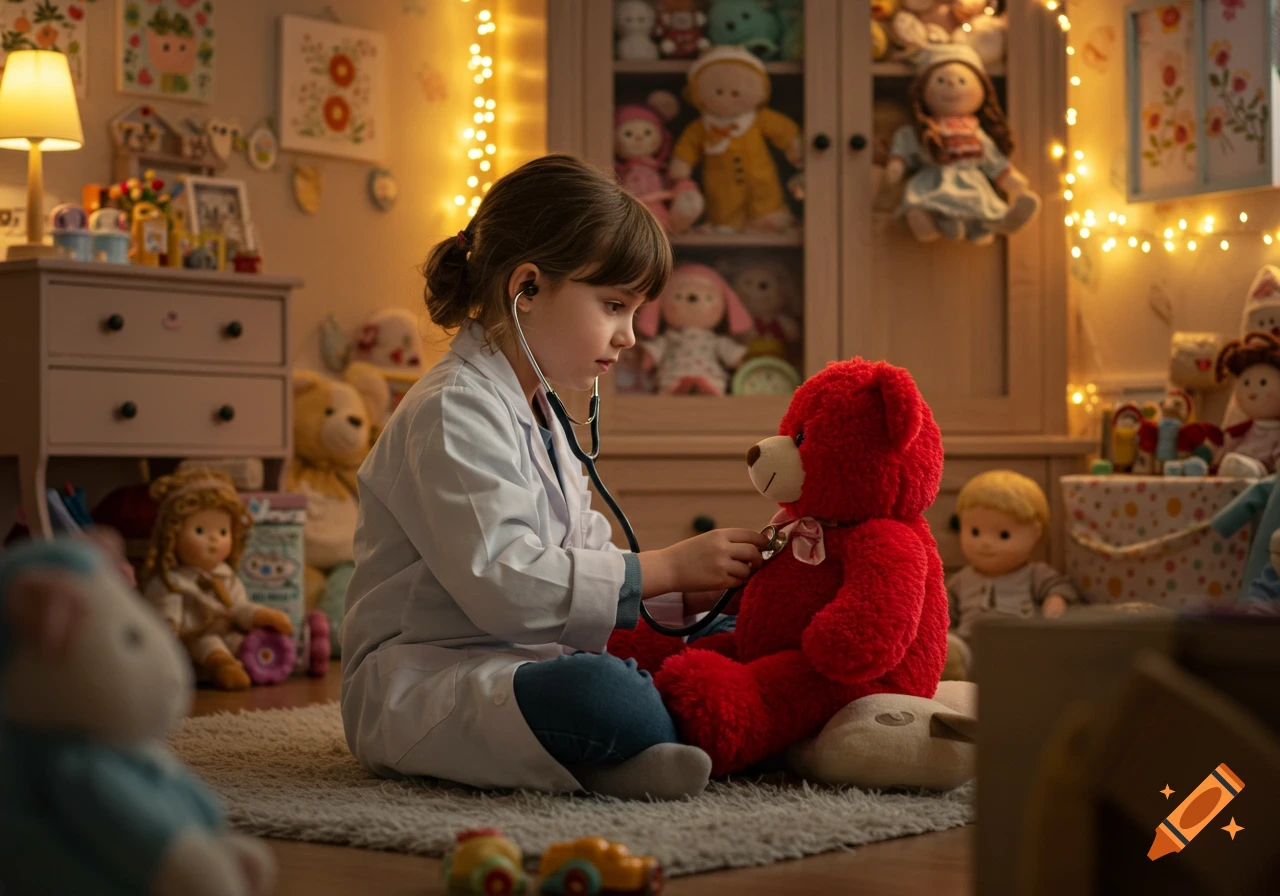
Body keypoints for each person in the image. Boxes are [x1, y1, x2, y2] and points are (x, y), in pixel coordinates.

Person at [340, 154, 769, 799]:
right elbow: (506, 583)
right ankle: (649, 736)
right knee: (605, 696)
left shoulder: (542, 409)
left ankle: (633, 752)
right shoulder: (451, 410)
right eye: (615, 305)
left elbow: (583, 552)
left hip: (533, 659)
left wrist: (691, 602)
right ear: (527, 289)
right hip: (430, 678)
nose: (629, 337)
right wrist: (670, 568)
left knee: (737, 635)